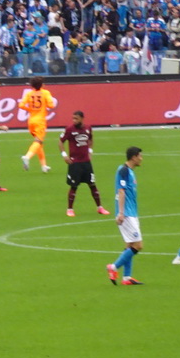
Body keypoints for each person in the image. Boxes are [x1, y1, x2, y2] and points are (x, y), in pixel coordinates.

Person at [107, 147, 145, 286]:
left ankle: (126, 278)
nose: (141, 158)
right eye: (140, 156)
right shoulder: (123, 171)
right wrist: (121, 213)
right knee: (138, 245)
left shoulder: (129, 171)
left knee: (129, 245)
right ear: (133, 157)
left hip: (131, 213)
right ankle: (113, 267)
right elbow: (121, 192)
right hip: (127, 214)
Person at [59, 111, 109, 218]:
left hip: (86, 162)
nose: (74, 120)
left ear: (82, 118)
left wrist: (90, 152)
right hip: (75, 163)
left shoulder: (88, 128)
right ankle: (70, 209)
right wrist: (64, 155)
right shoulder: (69, 129)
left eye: (76, 118)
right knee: (74, 186)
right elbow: (60, 142)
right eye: (73, 118)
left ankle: (100, 207)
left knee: (92, 184)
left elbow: (90, 139)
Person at [18, 76, 56, 172]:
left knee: (39, 143)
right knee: (38, 142)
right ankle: (27, 157)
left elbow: (21, 105)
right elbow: (52, 105)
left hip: (31, 121)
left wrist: (30, 109)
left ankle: (44, 166)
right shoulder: (45, 93)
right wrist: (46, 104)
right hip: (40, 121)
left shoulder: (29, 94)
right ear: (42, 84)